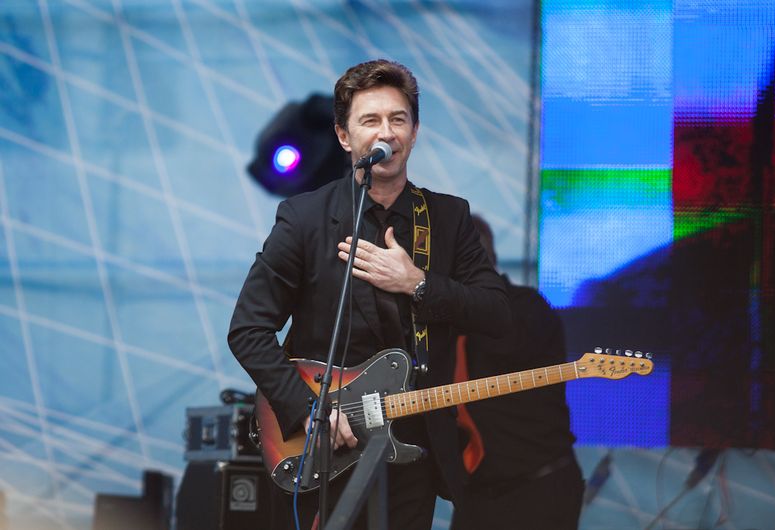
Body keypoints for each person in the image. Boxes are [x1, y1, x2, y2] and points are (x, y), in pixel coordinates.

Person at [227, 59, 510, 530]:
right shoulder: (304, 219)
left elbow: (498, 313)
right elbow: (247, 329)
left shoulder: (447, 218)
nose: (386, 132)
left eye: (398, 119)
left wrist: (417, 283)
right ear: (344, 136)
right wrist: (308, 410)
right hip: (325, 444)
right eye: (370, 120)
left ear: (414, 132)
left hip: (413, 449)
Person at [450, 215, 584, 530]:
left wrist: (459, 294)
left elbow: (503, 345)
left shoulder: (527, 306)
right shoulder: (447, 321)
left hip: (538, 487)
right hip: (480, 492)